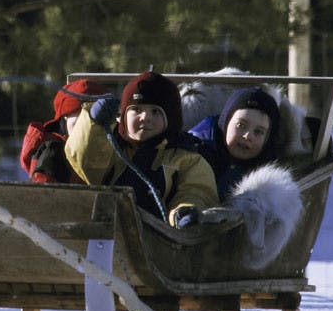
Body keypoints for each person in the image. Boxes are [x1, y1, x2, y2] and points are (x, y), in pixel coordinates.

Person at [64, 70, 219, 227]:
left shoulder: (185, 157)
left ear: (171, 118)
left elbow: (196, 191)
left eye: (155, 111)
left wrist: (185, 211)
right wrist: (94, 124)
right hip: (108, 231)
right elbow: (86, 162)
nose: (145, 117)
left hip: (161, 238)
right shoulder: (111, 148)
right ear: (123, 115)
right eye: (136, 110)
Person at [188, 87, 281, 201]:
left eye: (258, 132)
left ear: (267, 139)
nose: (247, 136)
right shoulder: (195, 151)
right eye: (241, 125)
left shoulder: (267, 166)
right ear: (226, 122)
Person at [19, 79, 110, 183]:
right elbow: (43, 195)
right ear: (64, 119)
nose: (85, 130)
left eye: (93, 124)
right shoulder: (53, 154)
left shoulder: (112, 150)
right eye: (78, 123)